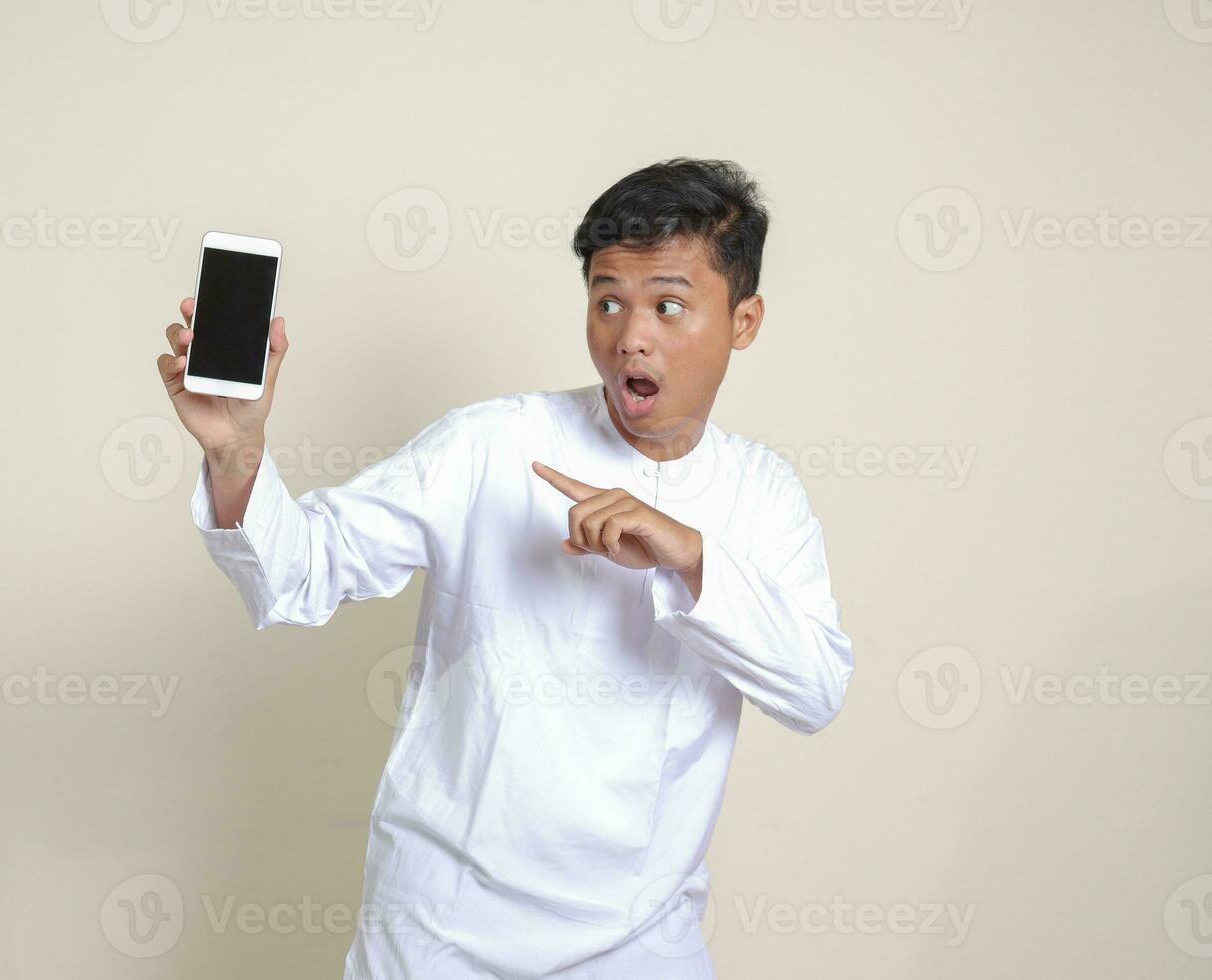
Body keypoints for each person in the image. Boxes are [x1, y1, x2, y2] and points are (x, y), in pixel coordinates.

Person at [155, 158, 854, 979]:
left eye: (669, 305)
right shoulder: (491, 445)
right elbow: (299, 574)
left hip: (640, 947)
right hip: (441, 938)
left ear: (744, 320)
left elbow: (815, 691)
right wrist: (237, 452)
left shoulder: (763, 495)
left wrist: (688, 554)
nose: (631, 334)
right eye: (607, 301)